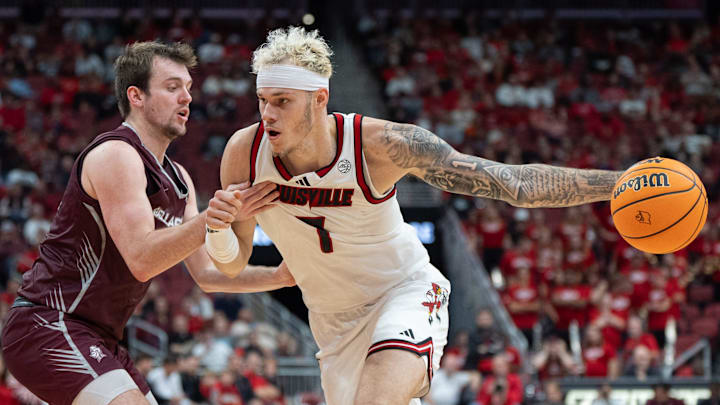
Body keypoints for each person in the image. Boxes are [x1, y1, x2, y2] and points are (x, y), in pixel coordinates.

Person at [204, 27, 625, 405]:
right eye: (263, 100)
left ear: (319, 99)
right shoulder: (244, 152)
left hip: (403, 291)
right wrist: (220, 227)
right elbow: (232, 263)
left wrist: (619, 183)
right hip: (333, 323)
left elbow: (514, 184)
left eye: (282, 102)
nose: (268, 114)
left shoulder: (382, 145)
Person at [1, 41, 293, 405]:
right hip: (49, 323)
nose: (186, 98)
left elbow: (207, 275)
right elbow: (141, 260)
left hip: (100, 335)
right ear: (136, 96)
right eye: (172, 88)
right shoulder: (116, 154)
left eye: (188, 88)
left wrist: (280, 276)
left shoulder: (180, 178)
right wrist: (214, 218)